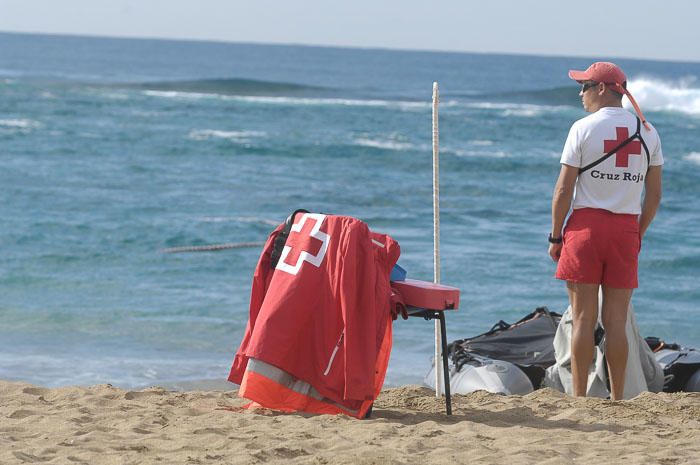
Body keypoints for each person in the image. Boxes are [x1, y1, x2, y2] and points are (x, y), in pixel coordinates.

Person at [548, 62, 663, 400]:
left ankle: (580, 397)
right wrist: (637, 233)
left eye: (584, 86)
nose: (580, 94)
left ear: (601, 89)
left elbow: (563, 190)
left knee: (583, 317)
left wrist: (555, 235)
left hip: (586, 228)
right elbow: (653, 196)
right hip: (625, 229)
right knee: (616, 321)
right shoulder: (648, 132)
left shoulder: (582, 128)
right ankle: (616, 399)